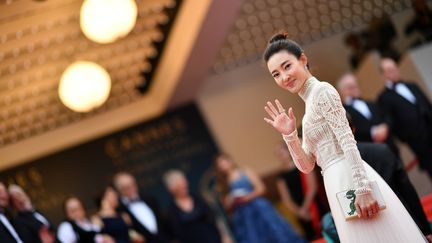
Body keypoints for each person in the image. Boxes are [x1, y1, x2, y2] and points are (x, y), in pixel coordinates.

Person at [263, 32, 426, 242]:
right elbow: (306, 166)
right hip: (336, 184)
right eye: (275, 74)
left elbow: (348, 141)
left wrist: (363, 188)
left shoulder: (322, 92)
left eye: (287, 66)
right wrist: (289, 135)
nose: (284, 77)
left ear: (303, 60)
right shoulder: (308, 106)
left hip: (353, 181)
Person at [320, 115, 432, 242]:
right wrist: (425, 229)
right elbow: (408, 192)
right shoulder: (381, 150)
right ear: (353, 129)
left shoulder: (333, 171)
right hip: (403, 223)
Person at [214, 153, 306, 243]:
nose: (223, 165)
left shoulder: (245, 171)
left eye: (224, 162)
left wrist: (248, 197)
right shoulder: (223, 183)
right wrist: (231, 200)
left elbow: (261, 189)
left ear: (230, 160)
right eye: (220, 164)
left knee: (274, 230)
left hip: (258, 207)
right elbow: (225, 205)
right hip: (242, 214)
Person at [377, 57, 432, 179]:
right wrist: (407, 137)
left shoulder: (412, 85)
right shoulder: (383, 98)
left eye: (394, 68)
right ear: (383, 74)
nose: (394, 71)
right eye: (389, 70)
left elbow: (427, 104)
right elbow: (390, 121)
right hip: (417, 140)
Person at [337, 73, 399, 157]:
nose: (355, 88)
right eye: (351, 87)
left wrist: (385, 126)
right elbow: (352, 133)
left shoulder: (370, 103)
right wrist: (372, 132)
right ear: (343, 91)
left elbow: (386, 116)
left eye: (356, 85)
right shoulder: (343, 113)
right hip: (373, 153)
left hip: (391, 147)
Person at [275, 142, 325, 241]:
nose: (280, 156)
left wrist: (305, 208)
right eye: (278, 154)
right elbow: (286, 199)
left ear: (288, 151)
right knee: (311, 236)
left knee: (324, 229)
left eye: (281, 152)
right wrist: (299, 212)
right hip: (299, 209)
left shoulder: (302, 164)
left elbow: (312, 187)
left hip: (313, 203)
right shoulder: (280, 175)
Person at [163, 169, 227, 243]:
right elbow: (175, 235)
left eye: (184, 182)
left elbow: (214, 219)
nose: (184, 185)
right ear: (172, 189)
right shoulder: (171, 211)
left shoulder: (198, 199)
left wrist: (225, 237)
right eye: (180, 184)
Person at [113, 172, 170, 243]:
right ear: (119, 190)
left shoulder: (150, 200)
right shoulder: (119, 211)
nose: (131, 189)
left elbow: (163, 224)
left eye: (133, 184)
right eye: (127, 187)